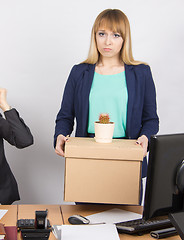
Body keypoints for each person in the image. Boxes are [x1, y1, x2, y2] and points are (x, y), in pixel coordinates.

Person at [54, 9, 159, 181]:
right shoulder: (79, 72)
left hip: (128, 154)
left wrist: (145, 137)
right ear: (94, 36)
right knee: (87, 208)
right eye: (102, 34)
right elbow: (65, 116)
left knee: (124, 209)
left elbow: (151, 119)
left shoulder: (141, 73)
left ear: (125, 39)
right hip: (86, 153)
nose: (107, 41)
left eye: (116, 35)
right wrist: (60, 135)